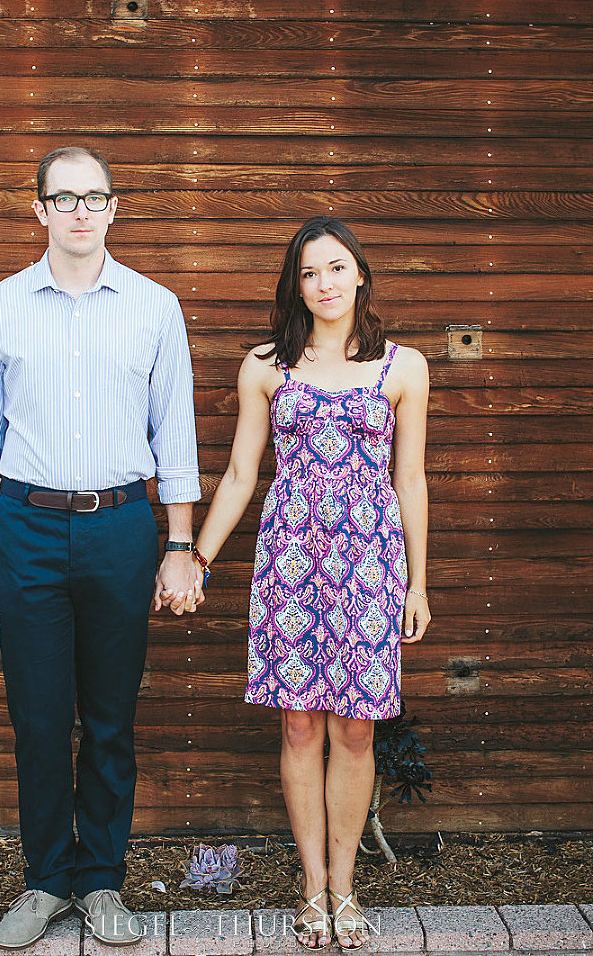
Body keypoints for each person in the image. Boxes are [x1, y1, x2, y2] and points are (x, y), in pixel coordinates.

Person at [0, 146, 201, 949]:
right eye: (62, 198)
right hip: (23, 530)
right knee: (37, 717)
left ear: (113, 208)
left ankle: (100, 882)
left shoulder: (154, 307)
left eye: (93, 197)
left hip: (121, 530)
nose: (78, 211)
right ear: (39, 211)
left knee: (107, 718)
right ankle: (43, 881)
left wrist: (180, 545)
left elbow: (176, 436)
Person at [191, 217, 430, 949]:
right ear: (296, 285)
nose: (323, 283)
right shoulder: (266, 364)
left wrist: (418, 584)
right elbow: (239, 474)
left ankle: (347, 888)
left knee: (356, 728)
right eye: (308, 272)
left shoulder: (404, 367)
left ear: (360, 273)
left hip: (369, 563)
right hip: (291, 561)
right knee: (297, 722)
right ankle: (311, 889)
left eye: (335, 268)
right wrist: (196, 558)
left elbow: (410, 478)